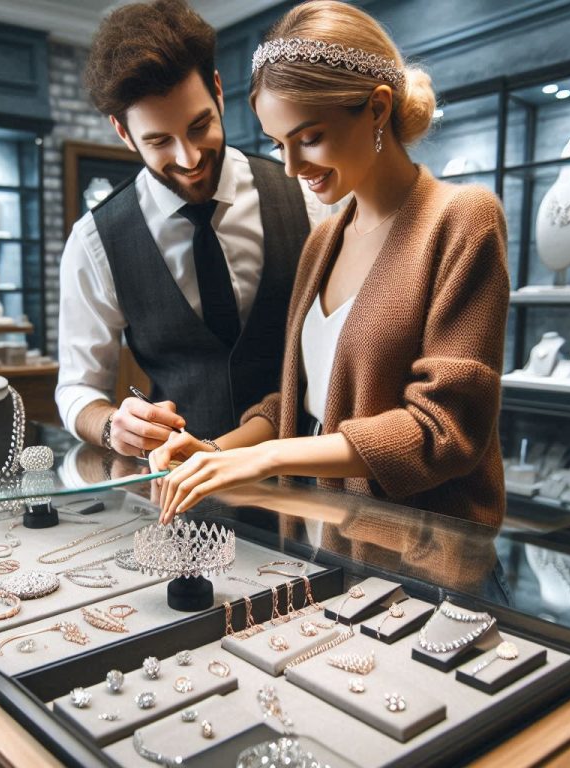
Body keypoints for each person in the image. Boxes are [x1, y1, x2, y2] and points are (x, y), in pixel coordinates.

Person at [152, 0, 510, 528]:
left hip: (420, 548)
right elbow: (302, 403)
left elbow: (445, 429)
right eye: (279, 144)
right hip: (321, 534)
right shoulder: (323, 240)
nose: (291, 167)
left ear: (377, 109)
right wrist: (214, 450)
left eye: (309, 138)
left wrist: (269, 457)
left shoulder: (460, 220)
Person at [55, 0, 324, 457]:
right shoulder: (94, 242)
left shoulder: (306, 193)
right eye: (160, 141)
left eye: (199, 126)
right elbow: (77, 388)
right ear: (123, 132)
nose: (189, 158)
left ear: (217, 90)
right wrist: (112, 425)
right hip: (180, 482)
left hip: (308, 473)